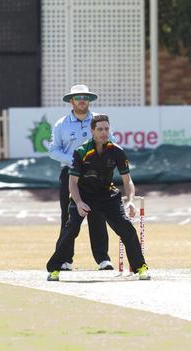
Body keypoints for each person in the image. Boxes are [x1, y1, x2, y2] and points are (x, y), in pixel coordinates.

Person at [46, 114, 149, 281]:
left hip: (107, 195)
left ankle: (141, 267)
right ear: (92, 131)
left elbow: (127, 180)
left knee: (126, 227)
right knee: (70, 229)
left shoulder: (116, 151)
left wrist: (130, 200)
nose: (104, 132)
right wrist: (78, 202)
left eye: (106, 129)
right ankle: (54, 268)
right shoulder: (81, 152)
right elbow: (72, 183)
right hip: (83, 195)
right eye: (100, 129)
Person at [48, 84, 113, 271]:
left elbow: (112, 142)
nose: (82, 100)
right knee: (69, 217)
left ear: (89, 100)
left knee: (98, 215)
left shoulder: (99, 120)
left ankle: (103, 259)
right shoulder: (62, 124)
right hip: (70, 174)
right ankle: (65, 259)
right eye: (78, 97)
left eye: (85, 97)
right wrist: (76, 161)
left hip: (97, 176)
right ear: (71, 101)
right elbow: (53, 151)